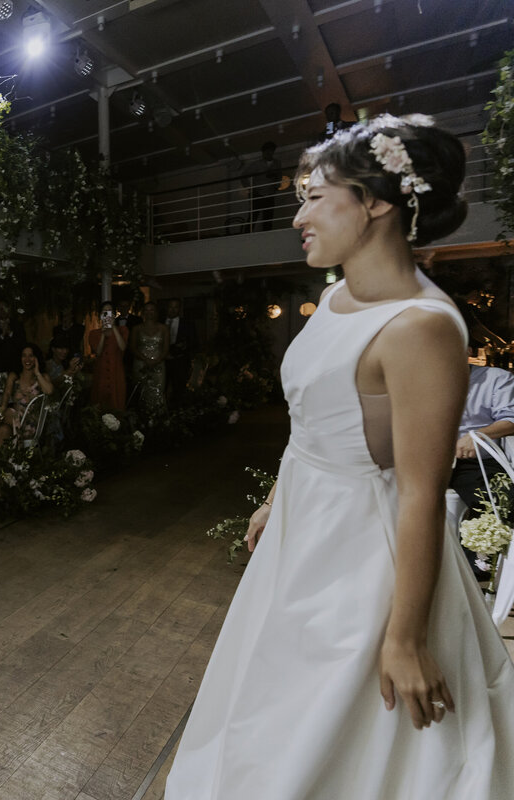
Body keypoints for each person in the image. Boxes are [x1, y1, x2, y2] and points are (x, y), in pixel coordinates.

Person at [165, 115, 514, 799]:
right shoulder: (333, 296)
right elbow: (312, 419)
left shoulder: (422, 326)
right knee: (264, 708)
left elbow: (420, 489)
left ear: (378, 202)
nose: (299, 214)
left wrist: (406, 637)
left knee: (339, 740)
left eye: (316, 196)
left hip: (366, 558)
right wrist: (276, 500)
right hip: (303, 530)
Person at [449, 364, 514, 577]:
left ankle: (480, 568)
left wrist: (478, 435)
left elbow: (511, 418)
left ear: (467, 349)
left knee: (501, 499)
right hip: (425, 458)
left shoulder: (495, 378)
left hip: (474, 460)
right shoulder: (416, 376)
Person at [0, 345, 53, 449]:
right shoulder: (14, 376)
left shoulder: (42, 377)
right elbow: (7, 393)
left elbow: (49, 391)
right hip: (13, 421)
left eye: (31, 356)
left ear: (36, 358)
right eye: (24, 356)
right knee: (2, 430)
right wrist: (3, 406)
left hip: (32, 425)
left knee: (5, 413)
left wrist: (37, 373)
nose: (27, 359)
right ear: (19, 358)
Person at [129, 300, 169, 414]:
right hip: (141, 364)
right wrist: (145, 359)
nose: (149, 312)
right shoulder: (136, 328)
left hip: (159, 365)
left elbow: (166, 349)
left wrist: (156, 361)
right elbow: (132, 347)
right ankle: (142, 421)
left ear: (156, 312)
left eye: (152, 310)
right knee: (141, 393)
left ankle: (158, 421)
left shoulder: (164, 328)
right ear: (143, 313)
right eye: (146, 310)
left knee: (158, 392)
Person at [87, 301, 127, 411]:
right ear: (100, 315)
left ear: (114, 315)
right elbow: (98, 352)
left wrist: (113, 327)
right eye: (104, 312)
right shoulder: (94, 333)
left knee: (117, 403)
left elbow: (123, 347)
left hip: (116, 372)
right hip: (101, 373)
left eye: (110, 312)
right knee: (100, 404)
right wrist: (104, 334)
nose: (107, 315)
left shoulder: (122, 330)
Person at [243, 140, 282, 231]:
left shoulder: (277, 163)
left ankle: (267, 235)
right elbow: (243, 176)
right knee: (253, 216)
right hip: (258, 193)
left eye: (271, 151)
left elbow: (279, 174)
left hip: (270, 193)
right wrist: (250, 189)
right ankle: (246, 235)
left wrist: (276, 185)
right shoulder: (257, 164)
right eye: (267, 151)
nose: (269, 153)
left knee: (268, 217)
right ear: (263, 152)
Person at [163, 298, 197, 400]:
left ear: (179, 309)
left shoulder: (187, 323)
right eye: (171, 307)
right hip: (162, 361)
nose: (173, 310)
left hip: (180, 361)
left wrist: (183, 348)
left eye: (176, 307)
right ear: (167, 308)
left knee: (179, 390)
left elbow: (194, 342)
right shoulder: (160, 322)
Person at [0, 299, 26, 375]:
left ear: (8, 309)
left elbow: (22, 345)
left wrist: (10, 332)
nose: (2, 311)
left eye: (4, 308)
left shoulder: (18, 325)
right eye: (0, 309)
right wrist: (2, 335)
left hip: (15, 367)